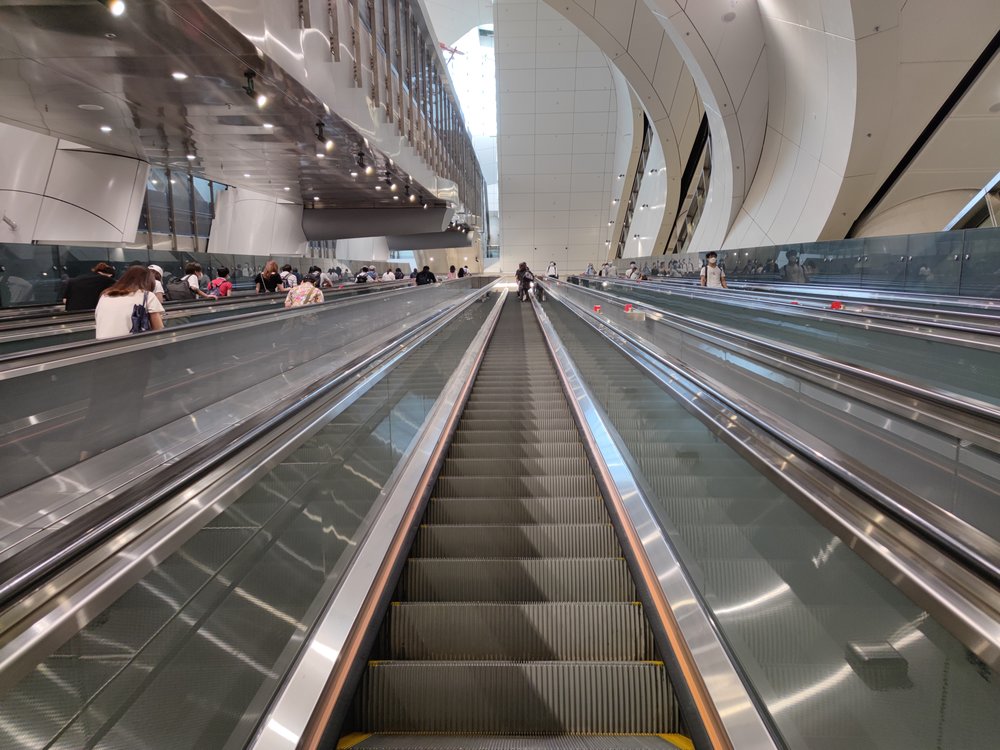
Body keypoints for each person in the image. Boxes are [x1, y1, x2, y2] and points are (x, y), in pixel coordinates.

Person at [94, 266, 165, 339]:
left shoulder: (105, 295)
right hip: (130, 346)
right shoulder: (147, 295)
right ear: (148, 281)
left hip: (101, 346)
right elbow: (159, 329)